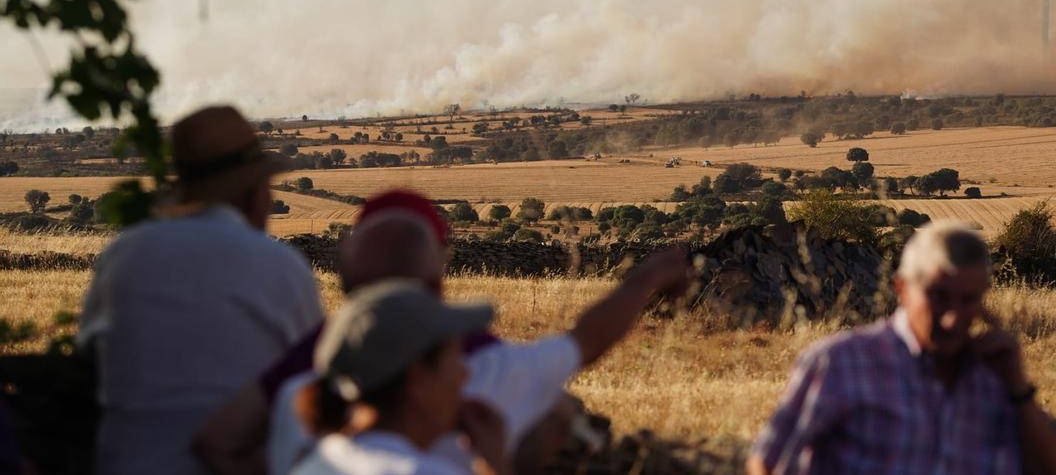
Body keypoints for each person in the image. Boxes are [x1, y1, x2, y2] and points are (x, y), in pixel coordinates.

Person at [193, 189, 690, 475]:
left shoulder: (298, 391)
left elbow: (217, 442)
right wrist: (652, 276)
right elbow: (586, 340)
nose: (458, 370)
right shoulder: (486, 368)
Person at [78, 105, 324, 475]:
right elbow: (311, 376)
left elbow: (91, 354)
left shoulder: (123, 254)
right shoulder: (280, 266)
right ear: (252, 191)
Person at [747, 221, 1056, 475]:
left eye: (969, 300)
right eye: (939, 296)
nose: (953, 319)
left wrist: (1017, 388)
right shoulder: (842, 363)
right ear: (902, 288)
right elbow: (768, 462)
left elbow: (1053, 469)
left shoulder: (995, 376)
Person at [290, 279, 511, 475]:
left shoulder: (315, 464)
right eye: (455, 359)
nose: (465, 374)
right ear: (417, 378)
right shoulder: (423, 471)